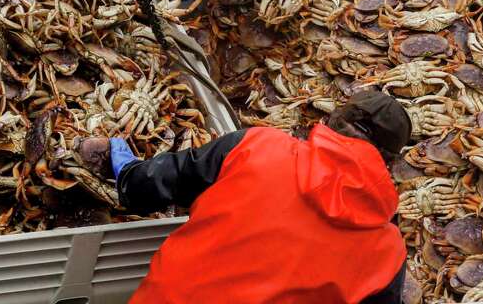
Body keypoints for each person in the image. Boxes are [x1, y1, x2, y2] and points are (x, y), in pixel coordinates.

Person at [110, 90, 412, 303]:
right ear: (389, 163)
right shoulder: (387, 252)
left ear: (330, 122)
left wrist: (128, 176)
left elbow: (166, 181)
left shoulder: (258, 146)